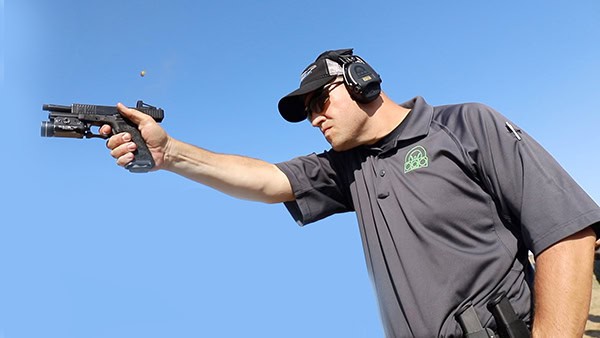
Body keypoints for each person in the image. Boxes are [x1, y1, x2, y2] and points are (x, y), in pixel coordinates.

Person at [101, 48, 600, 337]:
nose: (315, 115)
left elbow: (566, 234)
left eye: (322, 99)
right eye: (307, 109)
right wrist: (171, 155)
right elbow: (266, 179)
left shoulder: (465, 125)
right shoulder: (346, 169)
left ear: (363, 82)